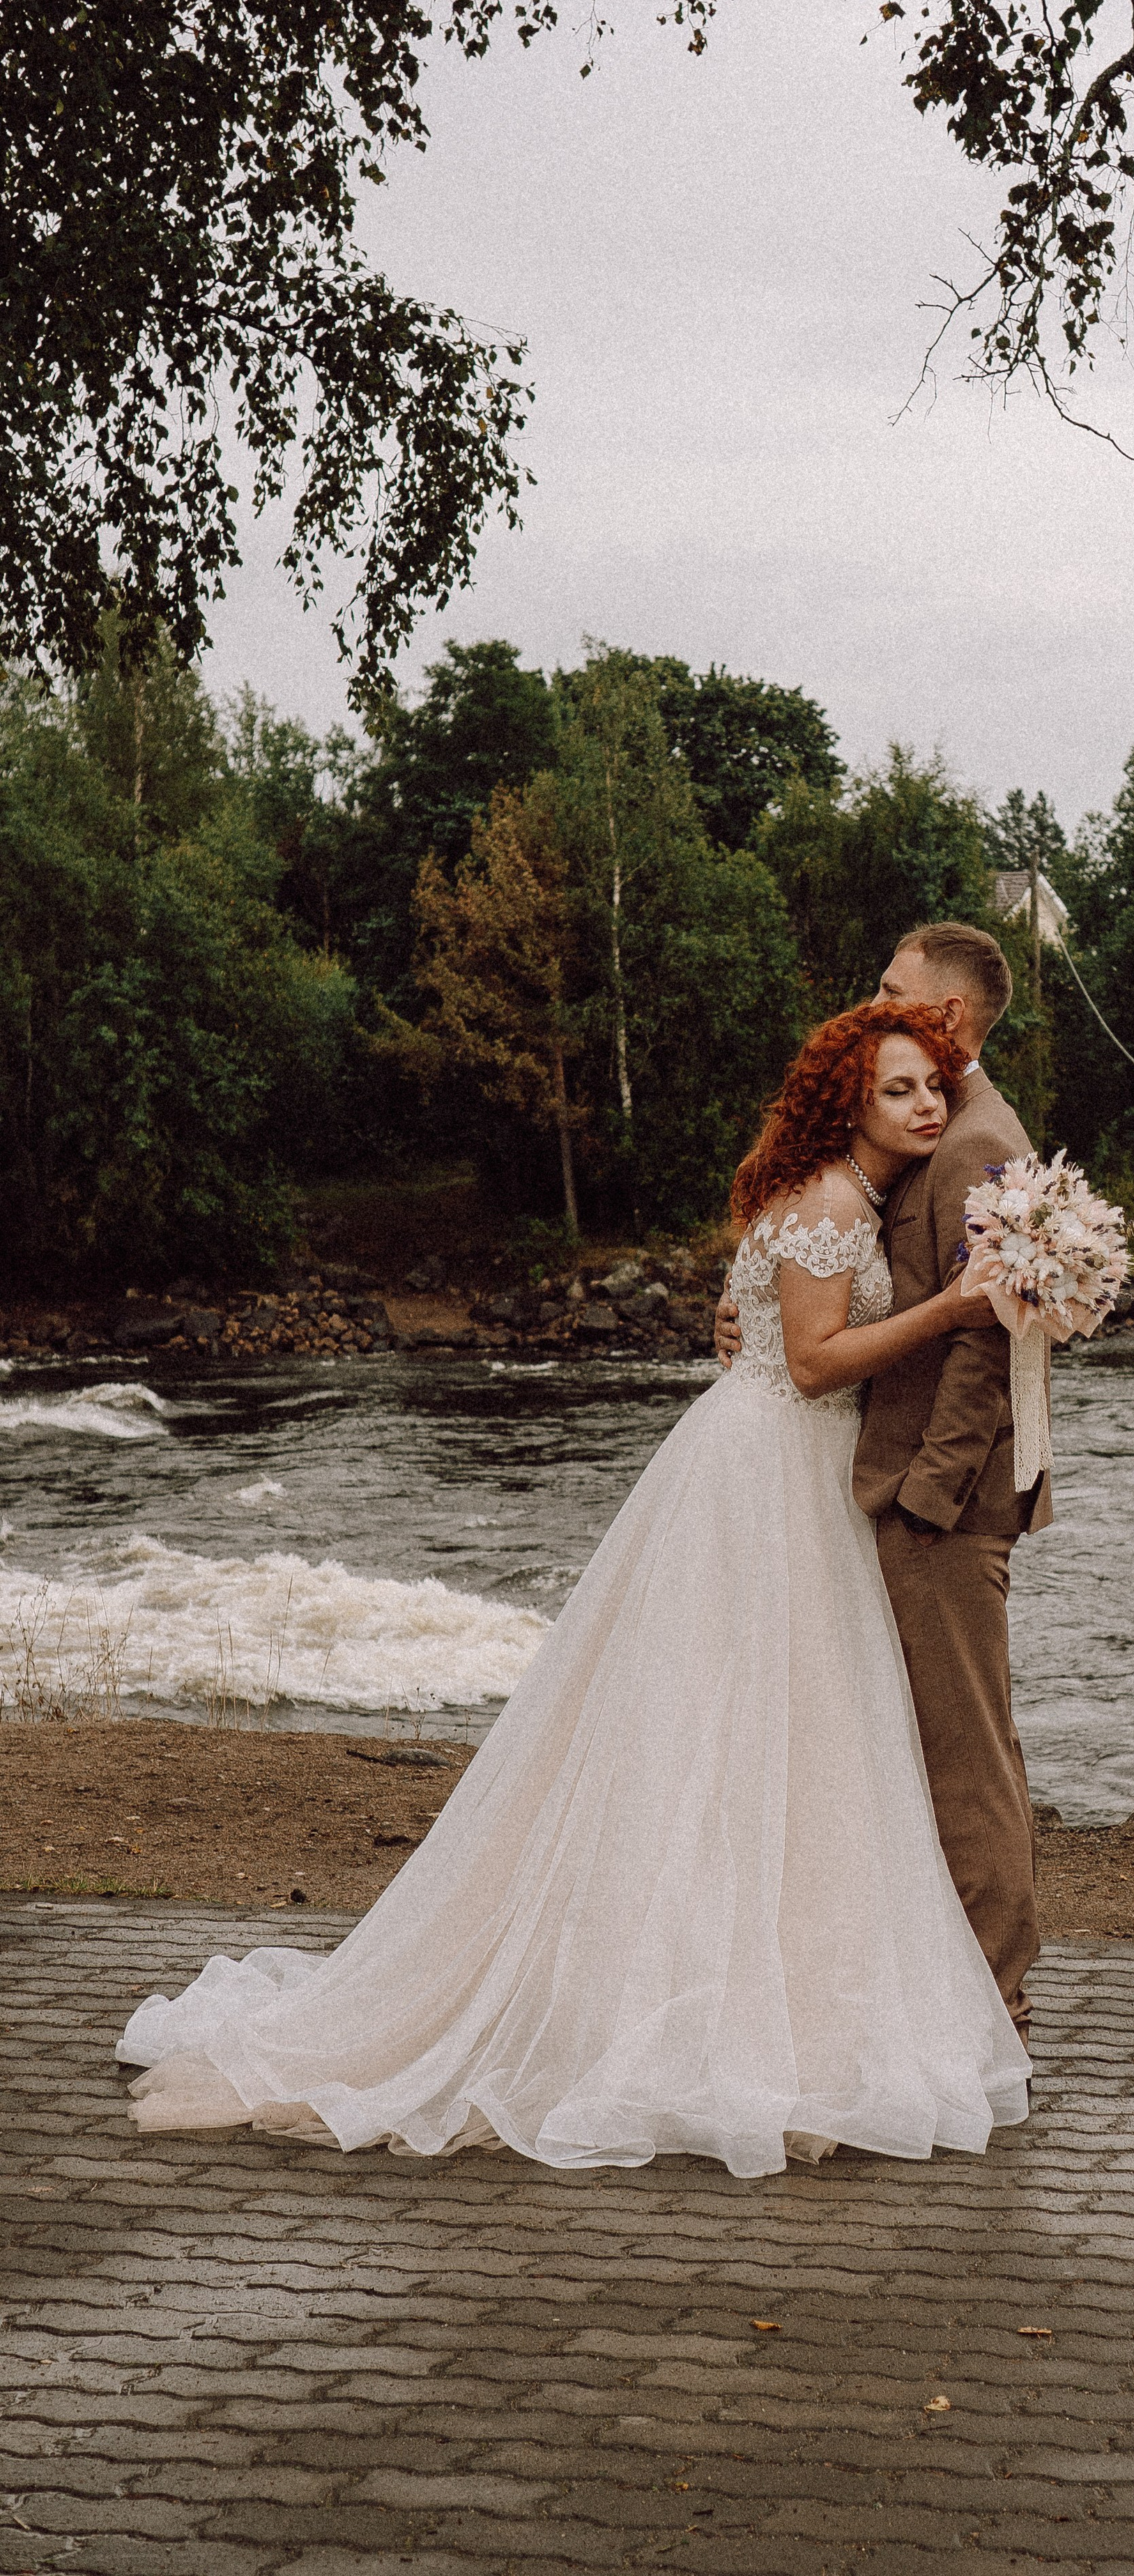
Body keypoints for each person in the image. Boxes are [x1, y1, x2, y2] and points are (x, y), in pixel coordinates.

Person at [116, 1004, 1030, 2179]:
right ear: (848, 1102)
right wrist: (951, 1311)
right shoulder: (830, 1203)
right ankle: (685, 2002)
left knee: (786, 1736)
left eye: (933, 1091)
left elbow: (768, 1333)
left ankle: (770, 1980)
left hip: (779, 1468)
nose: (926, 1109)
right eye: (900, 1090)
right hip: (766, 1473)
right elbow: (807, 1363)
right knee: (725, 1726)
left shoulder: (842, 1194)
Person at [716, 923, 1049, 2042]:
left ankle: (993, 1999)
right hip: (863, 1473)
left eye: (892, 988)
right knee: (918, 1741)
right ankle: (941, 1980)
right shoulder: (932, 1138)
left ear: (946, 1019)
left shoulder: (972, 1147)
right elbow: (844, 1287)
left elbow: (991, 1345)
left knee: (966, 1756)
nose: (874, 999)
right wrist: (754, 1312)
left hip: (935, 1501)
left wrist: (927, 1497)